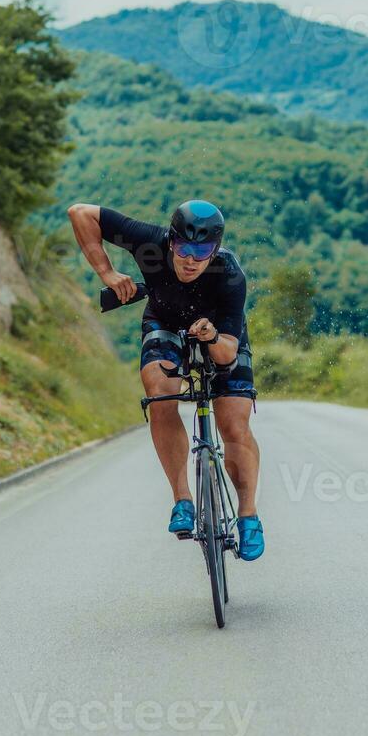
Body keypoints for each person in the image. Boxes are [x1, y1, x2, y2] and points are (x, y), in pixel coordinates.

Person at [67, 200, 264, 561]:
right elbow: (80, 212)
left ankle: (248, 515)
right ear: (170, 241)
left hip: (220, 335)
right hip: (164, 322)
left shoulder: (229, 274)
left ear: (215, 250)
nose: (191, 259)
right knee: (160, 396)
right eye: (183, 248)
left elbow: (228, 354)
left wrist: (211, 337)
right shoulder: (150, 243)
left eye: (202, 251)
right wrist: (107, 273)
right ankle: (182, 499)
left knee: (233, 423)